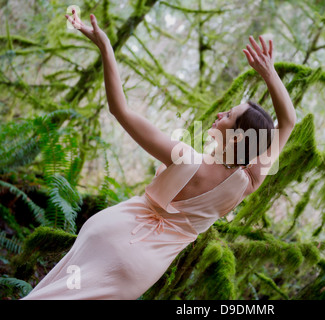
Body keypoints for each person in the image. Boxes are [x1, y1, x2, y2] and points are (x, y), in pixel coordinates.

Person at [22, 11, 296, 300]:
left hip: (111, 238)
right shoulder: (248, 181)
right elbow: (287, 121)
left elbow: (121, 110)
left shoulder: (185, 157)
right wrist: (270, 75)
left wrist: (105, 46)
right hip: (141, 271)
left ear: (238, 136)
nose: (219, 113)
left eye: (228, 114)